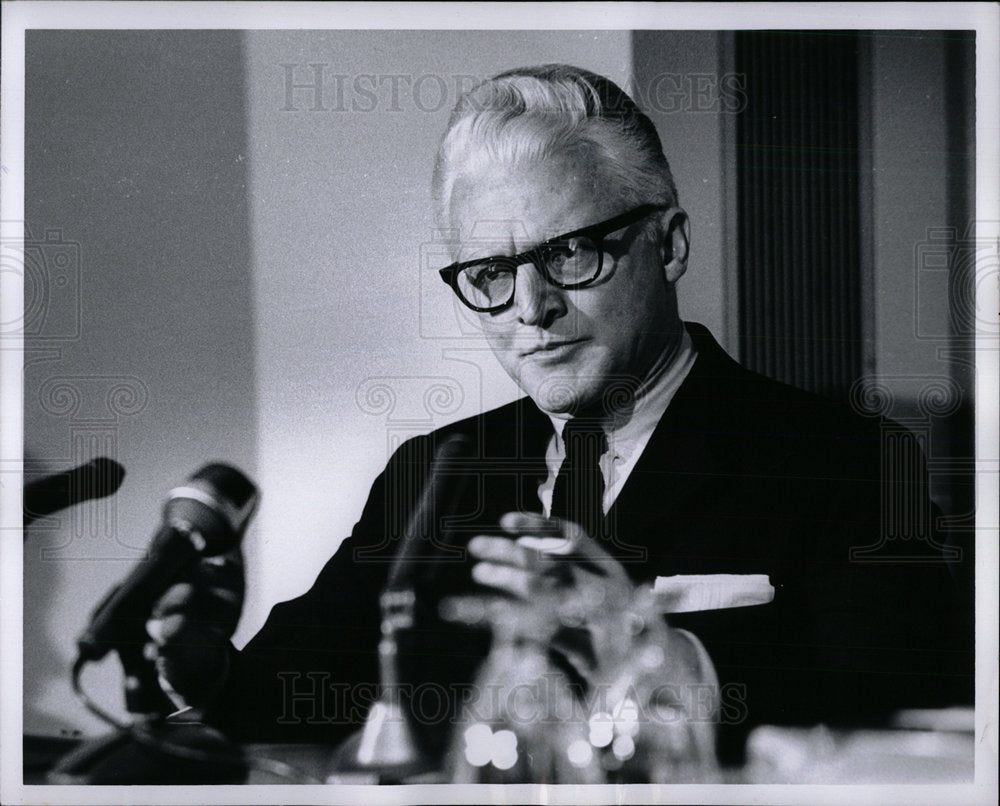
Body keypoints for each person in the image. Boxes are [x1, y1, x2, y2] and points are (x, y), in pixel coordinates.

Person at [145, 64, 972, 770]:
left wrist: (646, 653)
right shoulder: (437, 469)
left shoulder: (844, 458)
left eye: (570, 252)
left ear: (670, 244)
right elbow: (309, 688)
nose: (530, 309)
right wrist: (209, 665)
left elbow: (908, 698)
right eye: (490, 272)